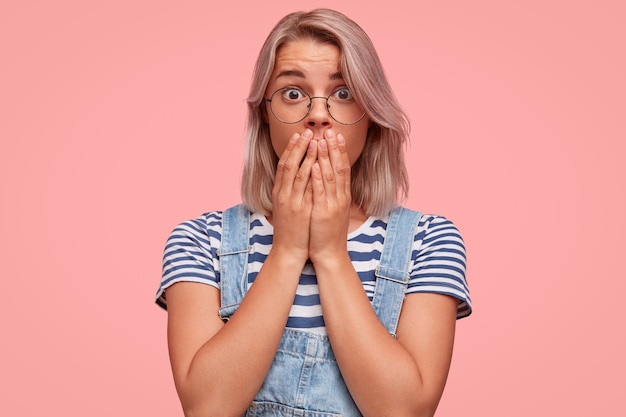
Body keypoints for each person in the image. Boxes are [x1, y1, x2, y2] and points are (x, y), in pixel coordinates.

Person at [156, 8, 471, 417]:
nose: (318, 114)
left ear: (371, 119)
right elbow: (206, 408)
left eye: (343, 94)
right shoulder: (200, 240)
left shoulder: (430, 241)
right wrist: (287, 249)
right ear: (263, 115)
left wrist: (330, 254)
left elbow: (405, 410)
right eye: (292, 93)